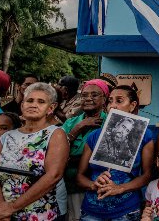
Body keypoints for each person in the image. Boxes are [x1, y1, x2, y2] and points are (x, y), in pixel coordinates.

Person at [0, 82, 68, 221]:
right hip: (5, 216)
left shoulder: (56, 134)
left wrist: (12, 207)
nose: (33, 105)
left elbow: (53, 176)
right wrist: (1, 208)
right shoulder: (7, 137)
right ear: (22, 105)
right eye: (29, 100)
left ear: (51, 108)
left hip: (39, 215)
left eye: (41, 102)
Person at [77, 85, 154, 221]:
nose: (112, 106)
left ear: (132, 105)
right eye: (110, 101)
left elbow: (147, 175)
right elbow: (80, 176)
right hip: (92, 211)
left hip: (125, 211)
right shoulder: (95, 136)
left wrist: (120, 188)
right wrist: (93, 185)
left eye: (119, 101)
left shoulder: (144, 135)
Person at [61, 78, 108, 221]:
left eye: (94, 95)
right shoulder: (71, 123)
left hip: (94, 187)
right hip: (67, 187)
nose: (88, 99)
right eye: (84, 95)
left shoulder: (109, 123)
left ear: (104, 99)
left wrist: (72, 159)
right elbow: (57, 152)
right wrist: (78, 127)